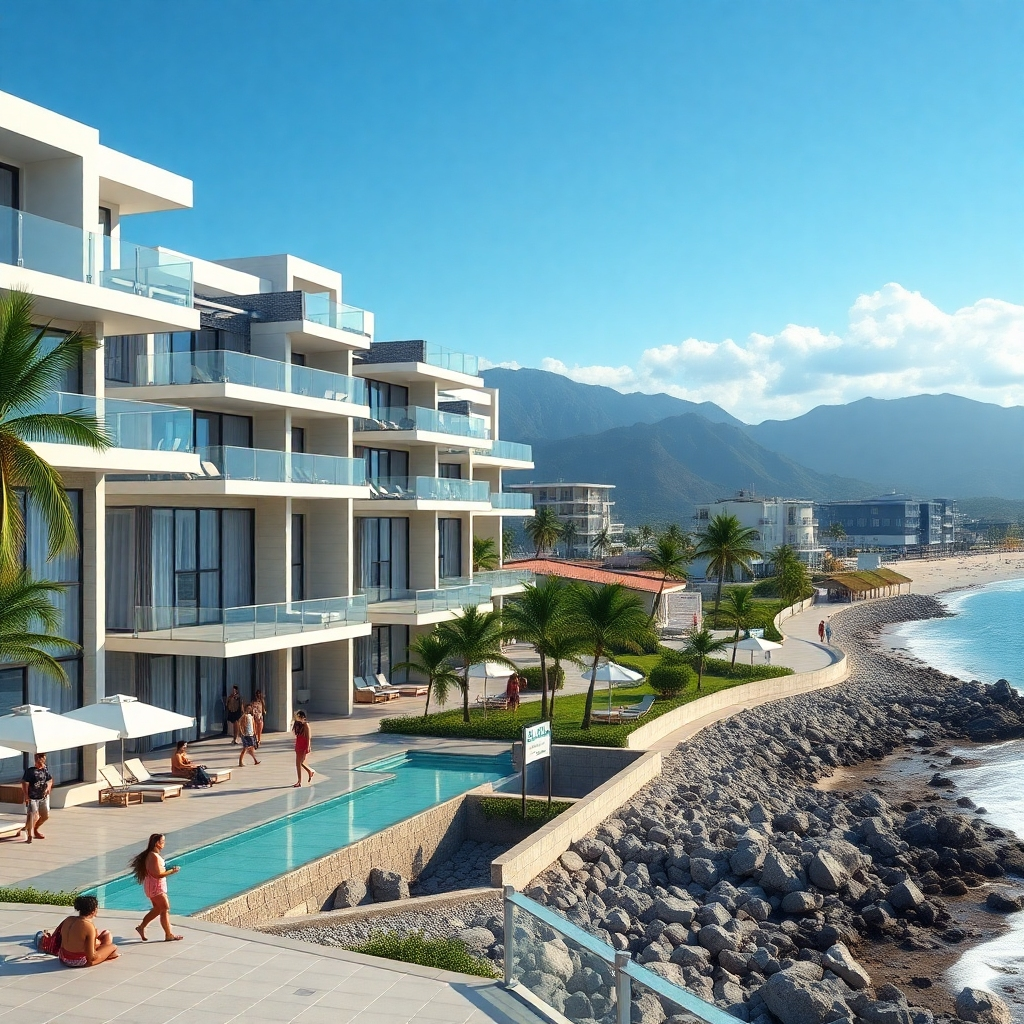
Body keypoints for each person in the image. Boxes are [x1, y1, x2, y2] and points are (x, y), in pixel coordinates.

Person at [131, 833, 183, 941]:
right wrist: (172, 871)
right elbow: (157, 874)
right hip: (156, 888)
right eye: (162, 842)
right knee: (165, 908)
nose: (164, 844)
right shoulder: (153, 856)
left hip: (152, 887)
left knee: (158, 909)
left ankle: (141, 927)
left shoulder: (151, 855)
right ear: (157, 843)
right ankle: (168, 934)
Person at [43, 895, 119, 967]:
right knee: (112, 947)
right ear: (94, 910)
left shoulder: (68, 919)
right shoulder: (88, 926)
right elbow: (92, 957)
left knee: (105, 935)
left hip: (62, 958)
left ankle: (107, 952)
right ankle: (109, 954)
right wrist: (106, 952)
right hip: (77, 962)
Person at [22, 752, 53, 844]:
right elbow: (24, 783)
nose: (42, 760)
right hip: (32, 797)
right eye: (40, 758)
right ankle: (30, 835)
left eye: (44, 758)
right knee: (32, 816)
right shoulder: (30, 771)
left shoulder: (45, 769)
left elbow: (50, 779)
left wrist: (48, 788)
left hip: (42, 797)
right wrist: (26, 796)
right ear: (36, 759)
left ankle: (35, 829)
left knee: (45, 816)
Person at [292, 710, 315, 788]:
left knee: (301, 762)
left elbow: (308, 737)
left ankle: (309, 771)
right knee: (298, 763)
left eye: (298, 716)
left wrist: (308, 746)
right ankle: (299, 780)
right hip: (298, 744)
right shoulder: (297, 724)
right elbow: (296, 734)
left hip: (304, 745)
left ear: (302, 717)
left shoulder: (306, 725)